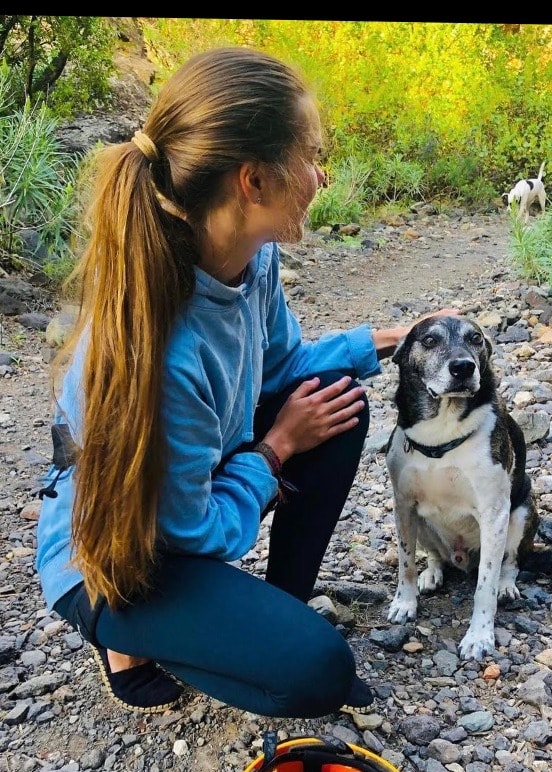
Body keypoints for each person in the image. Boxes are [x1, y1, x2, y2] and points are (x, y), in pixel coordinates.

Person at [35, 46, 455, 718]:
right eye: (310, 156)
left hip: (187, 498)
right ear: (254, 181)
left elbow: (283, 368)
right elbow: (198, 530)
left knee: (337, 400)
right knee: (317, 674)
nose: (321, 175)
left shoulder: (252, 259)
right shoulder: (164, 348)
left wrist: (393, 340)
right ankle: (124, 638)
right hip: (115, 554)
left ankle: (269, 616)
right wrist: (275, 449)